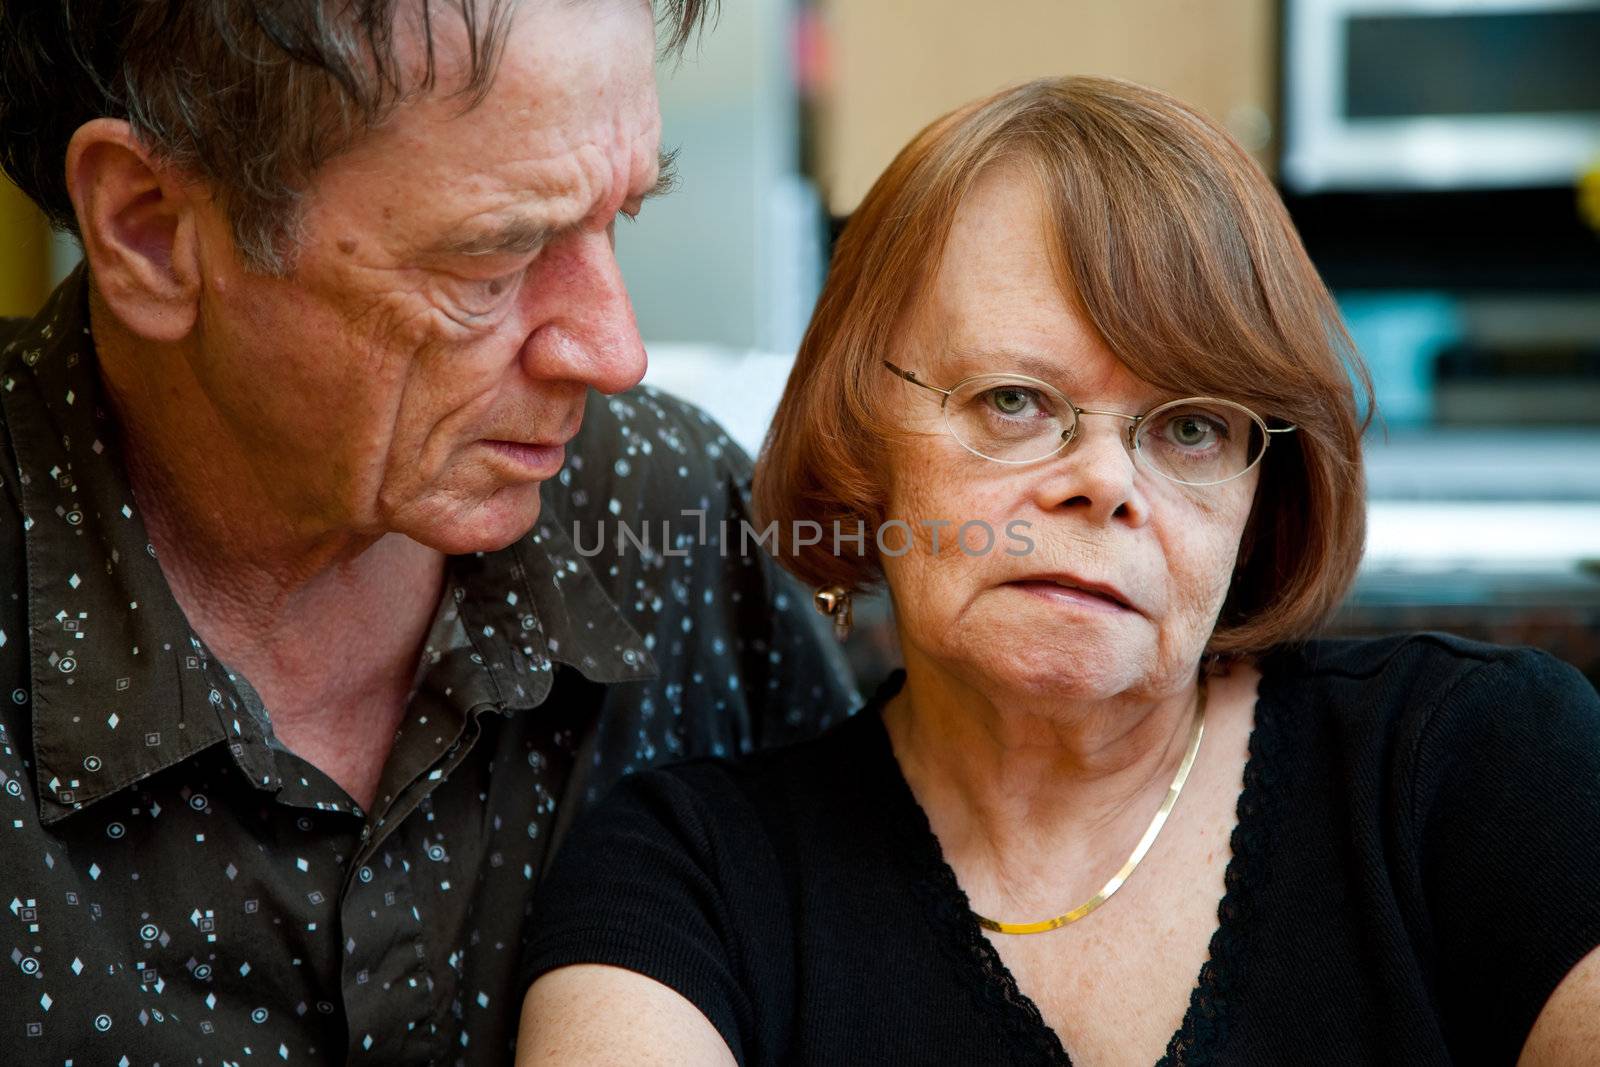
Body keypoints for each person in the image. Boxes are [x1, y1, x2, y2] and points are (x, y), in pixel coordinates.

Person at [515, 77, 1600, 1065]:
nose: (1105, 484)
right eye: (1015, 401)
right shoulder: (680, 881)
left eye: (1189, 428)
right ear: (861, 436)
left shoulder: (1483, 767)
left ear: (1260, 499)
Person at [0, 1, 857, 1061]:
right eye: (493, 260)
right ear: (150, 227)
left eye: (618, 217)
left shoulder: (667, 511)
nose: (615, 349)